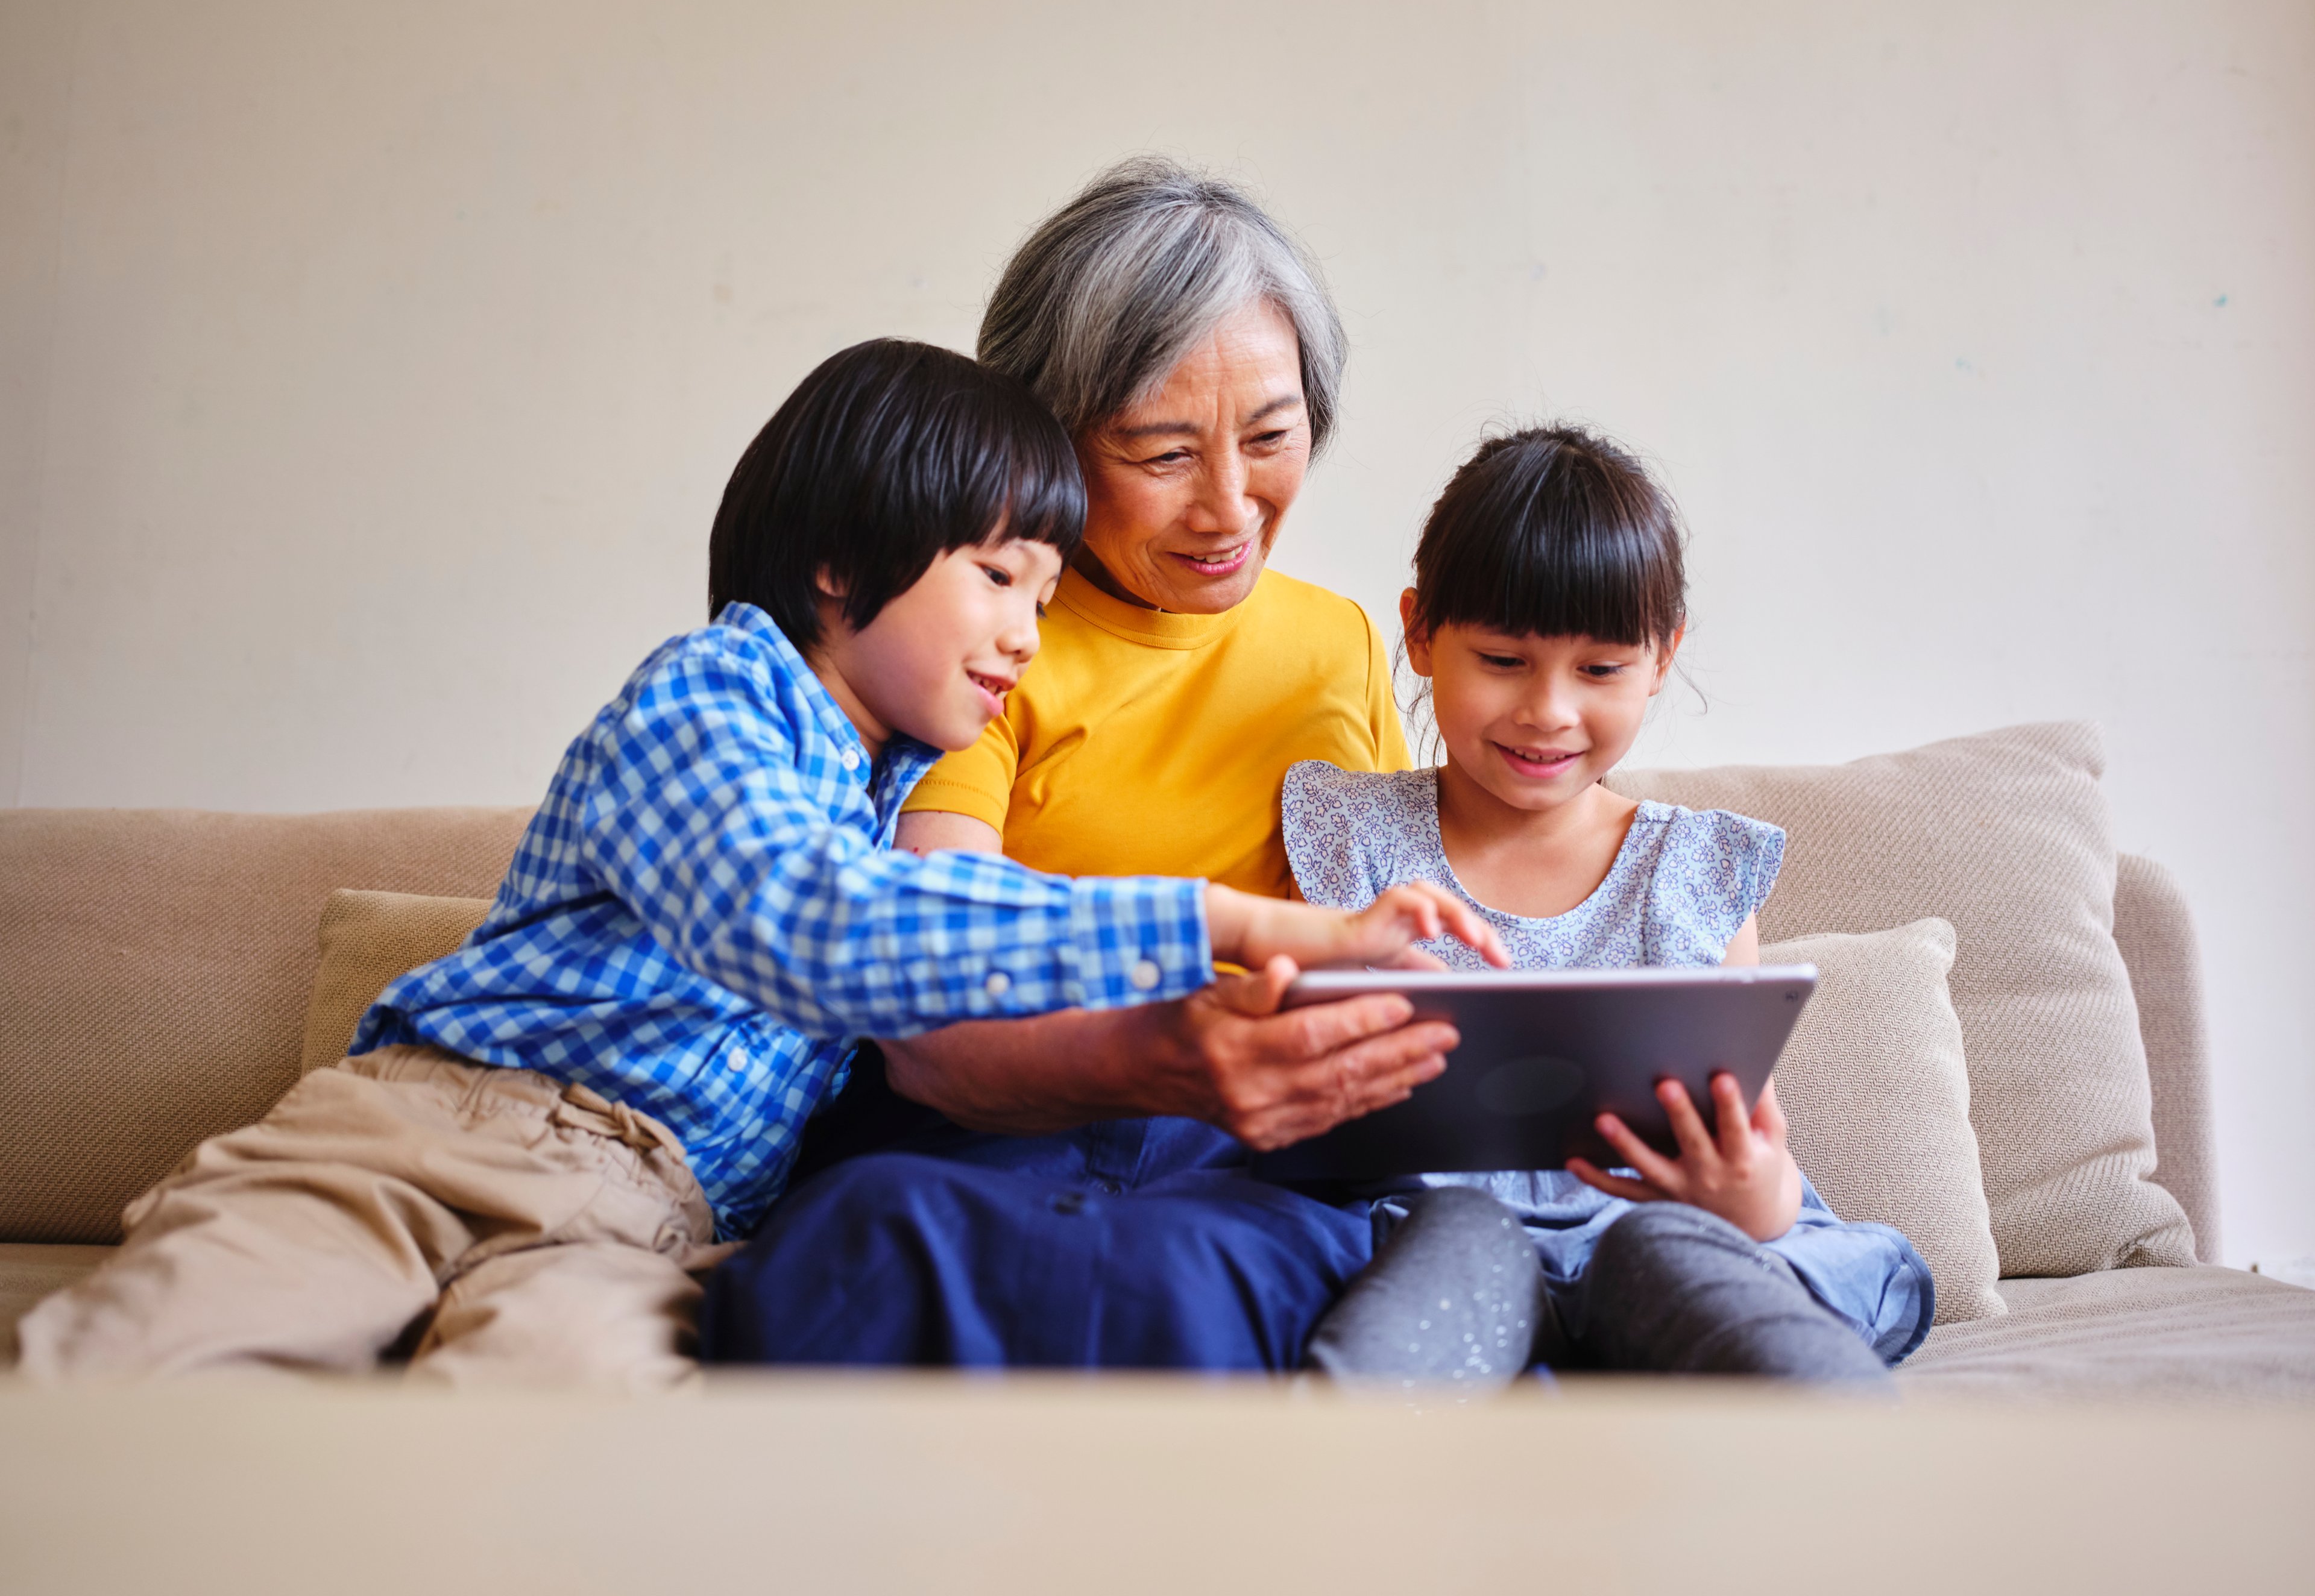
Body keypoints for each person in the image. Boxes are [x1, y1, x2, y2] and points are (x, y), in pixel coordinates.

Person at [17, 338, 1495, 1387]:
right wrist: (1224, 924)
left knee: (572, 1450)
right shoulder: (713, 695)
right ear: (841, 566)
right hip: (441, 1136)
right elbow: (815, 926)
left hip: (650, 1226)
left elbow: (929, 1024)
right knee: (141, 1379)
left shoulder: (894, 790)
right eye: (996, 579)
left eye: (1044, 598)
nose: (1026, 639)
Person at [703, 159, 1505, 1371]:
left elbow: (1418, 939)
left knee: (1276, 1269)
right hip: (993, 1136)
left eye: (1273, 438)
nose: (1230, 506)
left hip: (1257, 1164)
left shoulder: (1338, 643)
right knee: (888, 1251)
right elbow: (927, 1011)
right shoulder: (977, 643)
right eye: (1163, 453)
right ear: (1052, 441)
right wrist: (1169, 1059)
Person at [1285, 426, 1934, 1386]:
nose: (1549, 710)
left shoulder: (1694, 870)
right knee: (1451, 1256)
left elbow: (1747, 1143)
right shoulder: (1349, 838)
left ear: (1662, 658)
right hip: (1431, 1227)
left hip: (1663, 1228)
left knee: (1677, 1262)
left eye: (1599, 671)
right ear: (1420, 635)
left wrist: (1751, 1199)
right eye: (1503, 659)